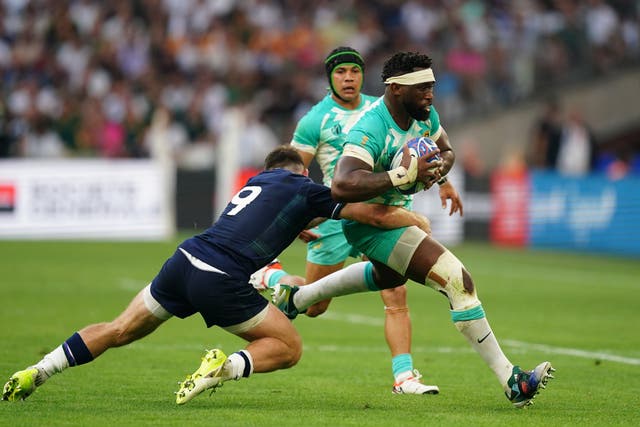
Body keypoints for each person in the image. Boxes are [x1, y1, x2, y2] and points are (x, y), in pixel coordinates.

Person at [2, 146, 433, 405]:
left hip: (185, 259)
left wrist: (294, 224)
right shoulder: (302, 187)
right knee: (288, 347)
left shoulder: (258, 182)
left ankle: (38, 371)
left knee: (118, 329)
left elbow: (257, 218)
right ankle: (222, 367)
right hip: (221, 277)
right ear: (299, 172)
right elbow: (369, 215)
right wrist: (411, 217)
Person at [273, 52, 555, 408]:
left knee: (388, 279)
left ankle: (297, 298)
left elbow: (446, 149)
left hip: (394, 213)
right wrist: (397, 177)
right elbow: (342, 185)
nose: (430, 95)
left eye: (431, 87)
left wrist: (438, 171)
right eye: (422, 88)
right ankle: (513, 381)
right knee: (457, 280)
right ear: (395, 89)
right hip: (366, 222)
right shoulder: (370, 127)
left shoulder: (425, 114)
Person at [251, 46, 462, 394]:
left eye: (354, 71)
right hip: (335, 216)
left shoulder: (384, 107)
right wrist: (294, 211)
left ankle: (404, 376)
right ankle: (271, 276)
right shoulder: (315, 120)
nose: (348, 78)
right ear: (329, 78)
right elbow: (293, 169)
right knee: (315, 305)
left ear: (365, 76)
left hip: (382, 210)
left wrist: (444, 181)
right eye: (340, 72)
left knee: (395, 289)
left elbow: (420, 145)